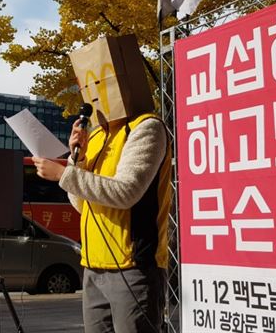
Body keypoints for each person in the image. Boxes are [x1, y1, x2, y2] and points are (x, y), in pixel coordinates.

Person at [32, 34, 172, 333]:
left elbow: (127, 193)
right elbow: (82, 204)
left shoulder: (146, 127)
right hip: (93, 265)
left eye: (101, 83)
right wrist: (76, 159)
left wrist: (63, 175)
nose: (93, 93)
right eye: (88, 86)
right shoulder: (95, 136)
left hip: (134, 265)